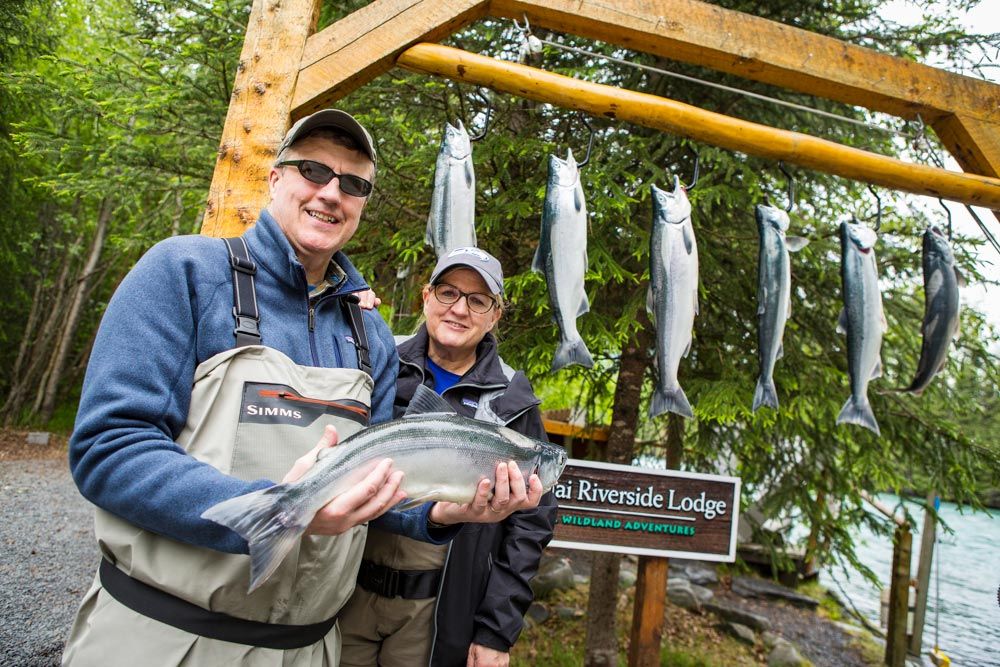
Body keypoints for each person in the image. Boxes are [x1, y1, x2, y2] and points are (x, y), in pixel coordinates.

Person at [62, 111, 542, 667]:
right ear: (274, 179)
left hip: (308, 651)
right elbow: (108, 449)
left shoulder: (372, 337)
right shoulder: (184, 273)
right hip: (164, 639)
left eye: (354, 183)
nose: (332, 193)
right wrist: (278, 509)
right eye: (313, 170)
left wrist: (439, 518)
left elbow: (375, 490)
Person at [338, 247, 559, 667]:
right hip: (348, 592)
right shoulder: (378, 358)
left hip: (437, 611)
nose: (460, 309)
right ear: (425, 296)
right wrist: (343, 314)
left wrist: (497, 630)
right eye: (448, 293)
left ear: (495, 315)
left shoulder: (512, 399)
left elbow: (531, 526)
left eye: (478, 301)